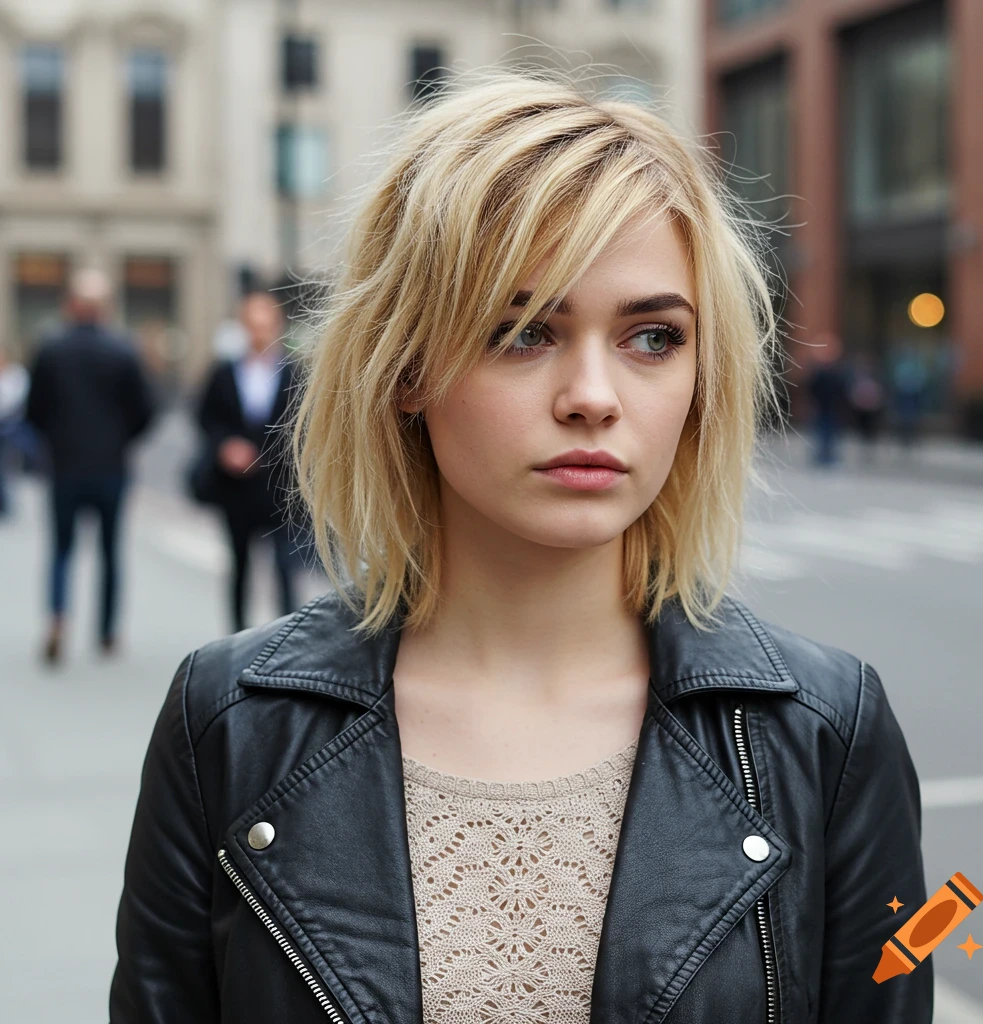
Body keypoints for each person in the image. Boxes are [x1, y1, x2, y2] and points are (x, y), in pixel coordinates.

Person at [110, 69, 932, 1023]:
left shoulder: (826, 733)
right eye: (523, 331)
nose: (594, 394)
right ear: (406, 366)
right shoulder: (228, 724)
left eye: (654, 337)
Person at [25, 268, 156, 663]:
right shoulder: (123, 351)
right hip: (110, 467)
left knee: (62, 548)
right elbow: (145, 411)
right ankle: (106, 631)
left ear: (71, 305)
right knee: (110, 551)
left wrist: (56, 439)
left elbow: (34, 411)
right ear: (106, 308)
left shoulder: (50, 350)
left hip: (65, 465)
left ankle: (58, 618)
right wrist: (120, 439)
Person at [194, 290, 301, 633]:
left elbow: (304, 426)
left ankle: (290, 634)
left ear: (277, 327)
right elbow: (206, 418)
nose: (259, 333)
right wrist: (225, 446)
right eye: (252, 326)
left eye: (266, 326)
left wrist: (267, 456)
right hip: (236, 487)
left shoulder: (295, 374)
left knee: (285, 566)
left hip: (280, 486)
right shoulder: (224, 373)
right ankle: (238, 634)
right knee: (239, 564)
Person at [805, 331, 849, 467]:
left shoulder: (836, 370)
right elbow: (811, 388)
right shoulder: (818, 371)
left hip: (833, 408)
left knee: (830, 433)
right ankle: (821, 456)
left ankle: (828, 456)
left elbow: (842, 388)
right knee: (821, 432)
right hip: (821, 407)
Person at [0, 347, 30, 517]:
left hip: (9, 427)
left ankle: (5, 503)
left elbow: (13, 401)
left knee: (6, 466)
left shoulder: (15, 375)